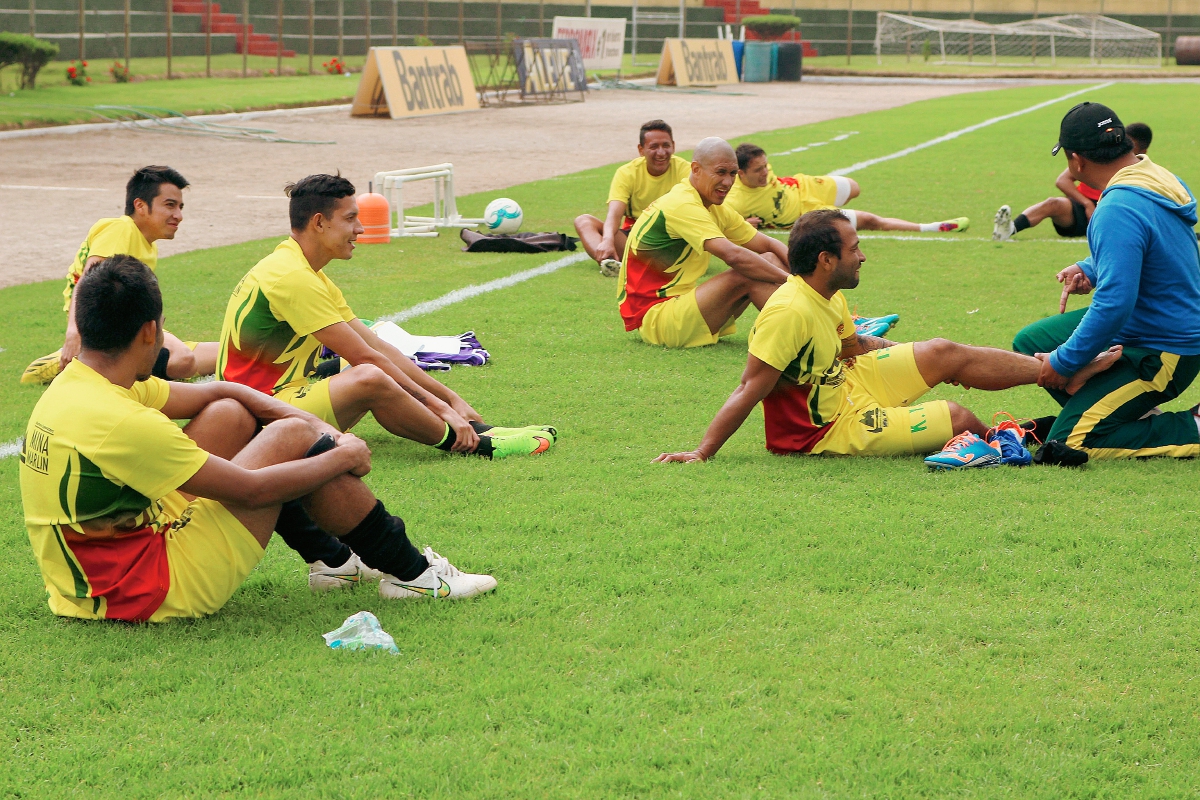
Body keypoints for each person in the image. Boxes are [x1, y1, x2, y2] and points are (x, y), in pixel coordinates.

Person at [19, 256, 496, 623]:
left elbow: (223, 390)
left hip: (90, 580)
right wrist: (340, 451)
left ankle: (334, 562)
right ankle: (414, 575)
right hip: (147, 588)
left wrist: (320, 429)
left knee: (229, 412)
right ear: (151, 331)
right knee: (288, 438)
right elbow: (254, 491)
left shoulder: (84, 383)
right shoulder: (120, 420)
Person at [654, 209, 1122, 468]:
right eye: (854, 249)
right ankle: (1008, 443)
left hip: (847, 384)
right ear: (824, 259)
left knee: (942, 351)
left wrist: (921, 358)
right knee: (956, 415)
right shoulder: (787, 311)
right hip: (825, 430)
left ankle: (1058, 371)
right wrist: (702, 451)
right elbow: (748, 387)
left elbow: (853, 349)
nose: (863, 256)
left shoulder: (824, 292)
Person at [217, 173, 555, 462]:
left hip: (274, 399)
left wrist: (451, 398)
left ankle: (477, 428)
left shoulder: (302, 268)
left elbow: (376, 345)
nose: (361, 228)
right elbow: (366, 358)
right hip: (257, 415)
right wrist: (443, 410)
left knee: (369, 365)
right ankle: (473, 444)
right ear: (319, 222)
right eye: (350, 218)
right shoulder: (292, 277)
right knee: (369, 377)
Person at [1012, 104, 1200, 463]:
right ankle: (1120, 412)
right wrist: (1091, 267)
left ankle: (1191, 425)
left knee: (1072, 442)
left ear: (1077, 161)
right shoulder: (1152, 175)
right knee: (1032, 342)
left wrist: (1065, 363)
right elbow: (1155, 249)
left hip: (1164, 349)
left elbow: (1114, 304)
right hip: (1146, 327)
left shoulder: (1117, 206)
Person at [21, 166, 218, 385]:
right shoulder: (121, 229)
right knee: (183, 361)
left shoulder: (147, 244)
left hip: (135, 326)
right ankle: (70, 360)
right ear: (141, 206)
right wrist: (74, 334)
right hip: (108, 325)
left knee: (225, 353)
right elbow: (89, 283)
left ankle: (130, 360)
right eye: (170, 205)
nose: (178, 216)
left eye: (180, 207)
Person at [618, 137, 792, 350]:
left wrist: (806, 275)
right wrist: (794, 282)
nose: (727, 182)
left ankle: (819, 329)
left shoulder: (712, 205)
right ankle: (811, 333)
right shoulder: (682, 203)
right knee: (749, 271)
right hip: (658, 319)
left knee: (770, 260)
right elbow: (734, 256)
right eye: (720, 172)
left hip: (683, 307)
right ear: (696, 169)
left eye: (732, 174)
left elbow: (769, 245)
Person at [726, 143, 970, 234]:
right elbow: (721, 227)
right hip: (807, 215)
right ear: (741, 173)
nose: (765, 173)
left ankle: (836, 208)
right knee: (870, 220)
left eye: (765, 166)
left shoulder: (762, 169)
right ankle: (932, 228)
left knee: (854, 188)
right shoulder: (735, 200)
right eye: (758, 171)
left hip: (802, 186)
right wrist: (744, 226)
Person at [993, 122, 1153, 241]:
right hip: (1082, 210)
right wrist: (1087, 204)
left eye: (1131, 146)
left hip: (1111, 213)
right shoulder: (1103, 154)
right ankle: (1008, 229)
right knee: (1052, 203)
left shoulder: (1144, 171)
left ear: (1143, 151)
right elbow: (1062, 181)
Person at [575, 119, 692, 277]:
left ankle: (638, 267)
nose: (661, 152)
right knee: (583, 221)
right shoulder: (627, 173)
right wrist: (608, 239)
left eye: (666, 145)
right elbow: (614, 214)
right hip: (636, 239)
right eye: (653, 147)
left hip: (672, 240)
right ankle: (610, 264)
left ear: (673, 146)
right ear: (641, 149)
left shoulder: (687, 171)